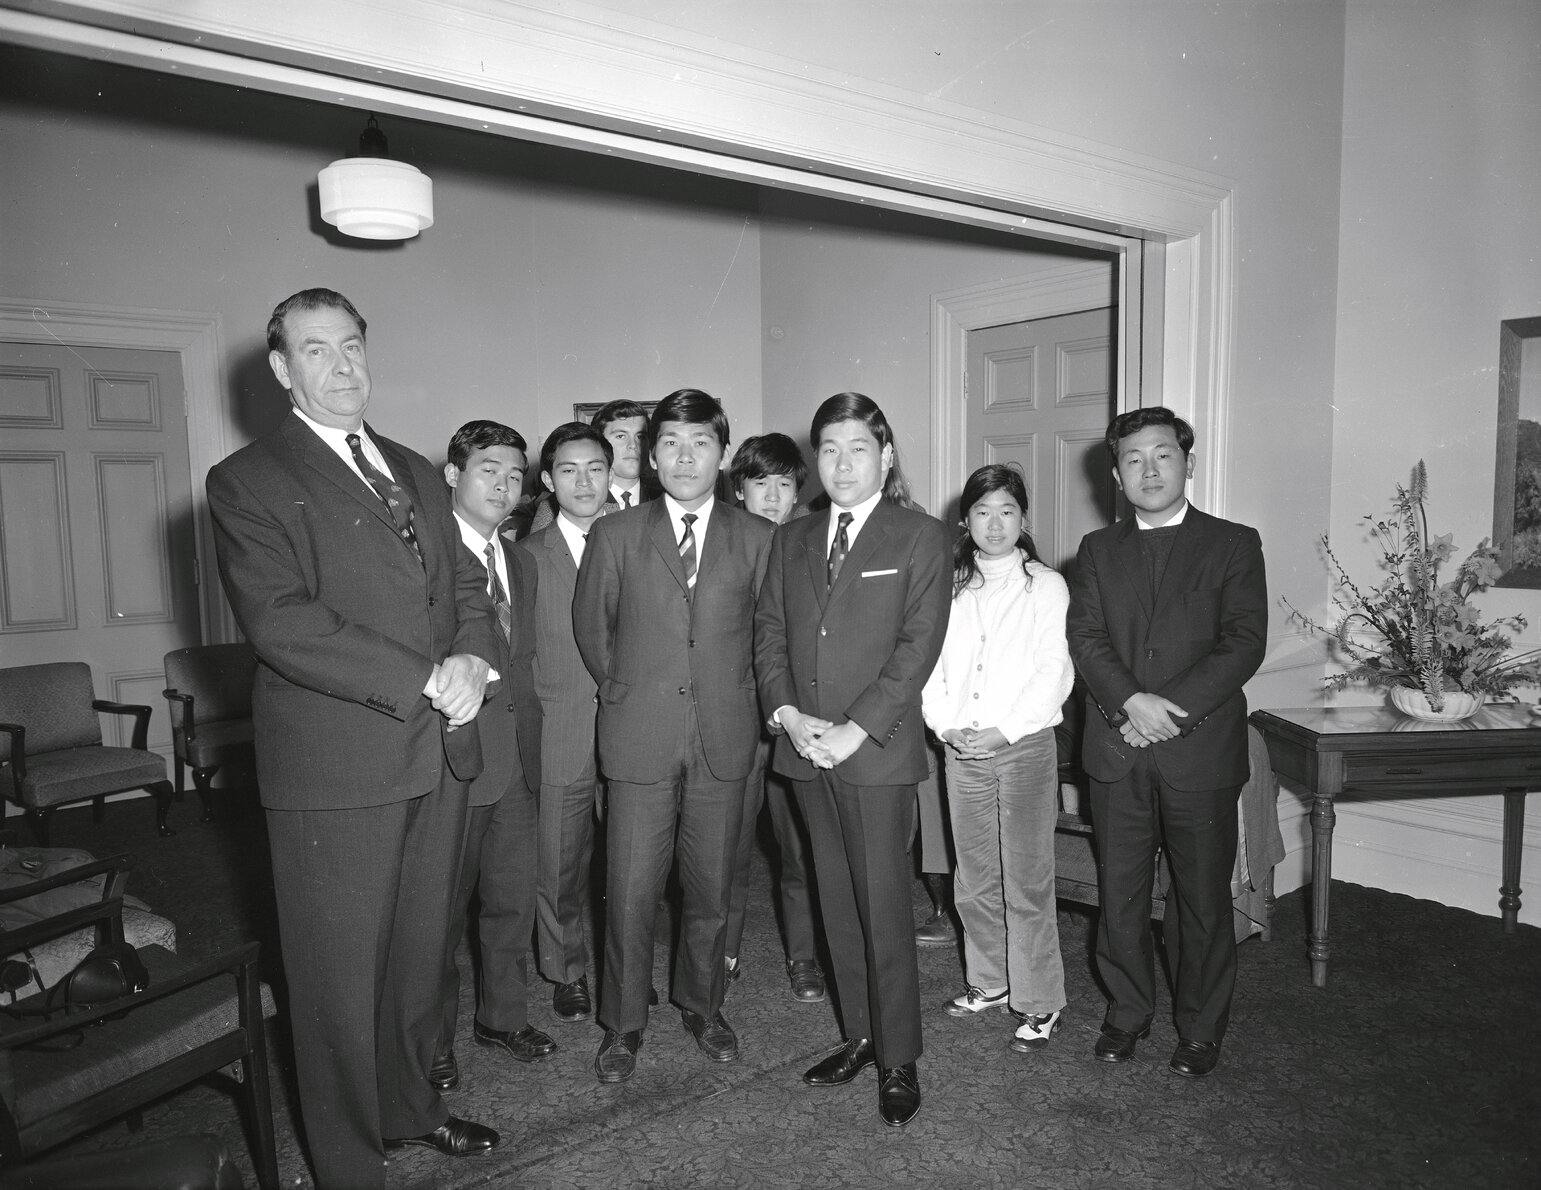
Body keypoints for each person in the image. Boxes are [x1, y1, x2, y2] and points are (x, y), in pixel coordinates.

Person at [206, 289, 501, 1189]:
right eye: (316, 350)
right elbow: (284, 624)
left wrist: (472, 661)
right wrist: (420, 676)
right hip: (336, 767)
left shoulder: (414, 468)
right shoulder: (248, 480)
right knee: (335, 979)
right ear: (283, 370)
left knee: (419, 958)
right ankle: (346, 1162)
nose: (341, 367)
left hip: (439, 753)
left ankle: (412, 1109)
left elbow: (466, 588)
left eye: (351, 346)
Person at [754, 392, 952, 1128]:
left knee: (881, 905)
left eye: (857, 449)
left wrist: (853, 730)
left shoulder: (919, 536)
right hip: (804, 747)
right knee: (834, 901)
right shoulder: (792, 538)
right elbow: (768, 636)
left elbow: (916, 649)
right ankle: (861, 1035)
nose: (841, 464)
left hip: (872, 756)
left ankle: (898, 1057)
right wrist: (787, 714)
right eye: (829, 450)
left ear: (886, 456)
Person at [573, 389, 774, 1083]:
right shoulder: (616, 535)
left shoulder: (757, 538)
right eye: (670, 444)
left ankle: (702, 1004)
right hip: (639, 737)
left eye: (700, 443)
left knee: (713, 888)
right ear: (651, 457)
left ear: (721, 455)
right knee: (628, 891)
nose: (685, 457)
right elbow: (594, 633)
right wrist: (636, 691)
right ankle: (622, 1023)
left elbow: (765, 639)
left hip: (725, 738)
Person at [1065, 406, 1267, 1079]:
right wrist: (1130, 701)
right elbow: (1085, 639)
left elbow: (1243, 643)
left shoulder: (1234, 543)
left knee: (1200, 898)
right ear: (1116, 476)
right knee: (1118, 894)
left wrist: (1166, 710)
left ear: (1186, 461)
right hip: (1116, 750)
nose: (1147, 469)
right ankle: (1126, 1012)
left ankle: (1200, 1026)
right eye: (1132, 459)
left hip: (1198, 750)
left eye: (1161, 455)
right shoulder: (1095, 551)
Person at [921, 464, 1074, 1051]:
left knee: (1027, 880)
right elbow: (929, 666)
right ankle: (989, 982)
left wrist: (1004, 732)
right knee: (974, 874)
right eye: (982, 512)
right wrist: (946, 725)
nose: (994, 523)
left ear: (1024, 519)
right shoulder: (949, 585)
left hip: (1024, 747)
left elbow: (1053, 672)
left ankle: (1040, 1000)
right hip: (962, 747)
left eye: (1007, 511)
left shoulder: (1046, 586)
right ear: (966, 521)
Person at [432, 420, 551, 1091]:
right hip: (454, 761)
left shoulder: (522, 560)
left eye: (514, 475)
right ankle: (431, 1038)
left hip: (515, 761)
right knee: (440, 913)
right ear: (453, 475)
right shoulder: (422, 557)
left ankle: (501, 1017)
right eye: (488, 470)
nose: (504, 485)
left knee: (509, 900)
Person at [513, 422, 614, 1025]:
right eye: (569, 470)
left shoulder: (637, 543)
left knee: (629, 866)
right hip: (562, 732)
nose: (584, 481)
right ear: (548, 481)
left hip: (631, 732)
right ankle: (566, 970)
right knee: (558, 864)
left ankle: (623, 970)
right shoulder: (525, 558)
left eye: (595, 468)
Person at [722, 433, 824, 1003]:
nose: (772, 495)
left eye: (785, 483)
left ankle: (803, 955)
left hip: (794, 724)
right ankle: (723, 948)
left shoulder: (813, 545)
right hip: (733, 722)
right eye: (760, 481)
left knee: (799, 846)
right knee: (727, 847)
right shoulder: (718, 544)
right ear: (740, 488)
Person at [527, 399, 655, 533]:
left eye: (641, 436)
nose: (633, 445)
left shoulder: (663, 496)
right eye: (621, 436)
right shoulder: (552, 507)